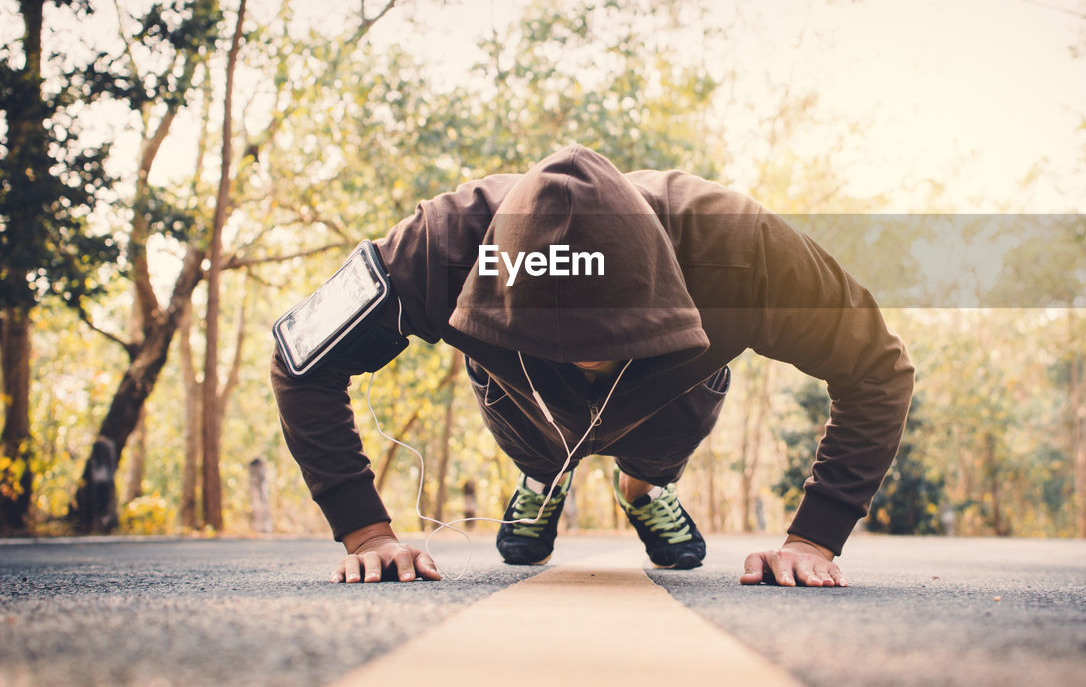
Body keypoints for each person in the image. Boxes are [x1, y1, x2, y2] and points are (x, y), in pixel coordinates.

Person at [270, 145, 913, 587]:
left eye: (605, 342)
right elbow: (300, 359)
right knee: (543, 449)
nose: (585, 363)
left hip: (672, 397)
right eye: (561, 346)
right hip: (521, 404)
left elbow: (877, 369)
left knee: (652, 452)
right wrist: (366, 532)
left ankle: (643, 486)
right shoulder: (439, 247)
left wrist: (813, 540)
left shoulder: (742, 250)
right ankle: (542, 477)